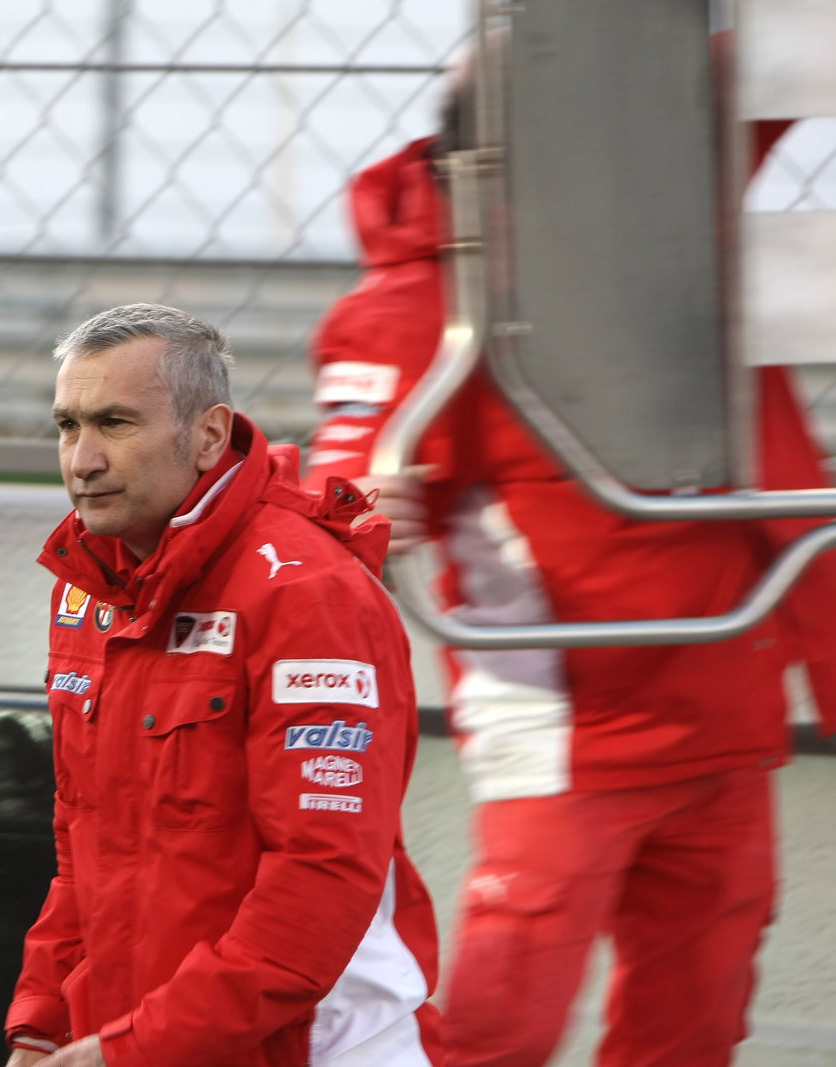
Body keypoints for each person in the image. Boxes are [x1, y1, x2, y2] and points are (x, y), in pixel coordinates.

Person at [302, 54, 836, 1067]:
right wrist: (357, 507)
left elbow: (765, 68)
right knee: (504, 1025)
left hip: (725, 720)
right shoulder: (424, 307)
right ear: (482, 162)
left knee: (696, 1025)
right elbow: (339, 498)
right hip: (565, 734)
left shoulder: (672, 227)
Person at [4, 303, 444, 1067]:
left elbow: (320, 880)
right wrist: (41, 1024)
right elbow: (84, 849)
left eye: (115, 423)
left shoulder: (309, 594)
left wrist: (137, 1047)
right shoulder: (89, 587)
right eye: (68, 426)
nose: (82, 459)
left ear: (208, 435)